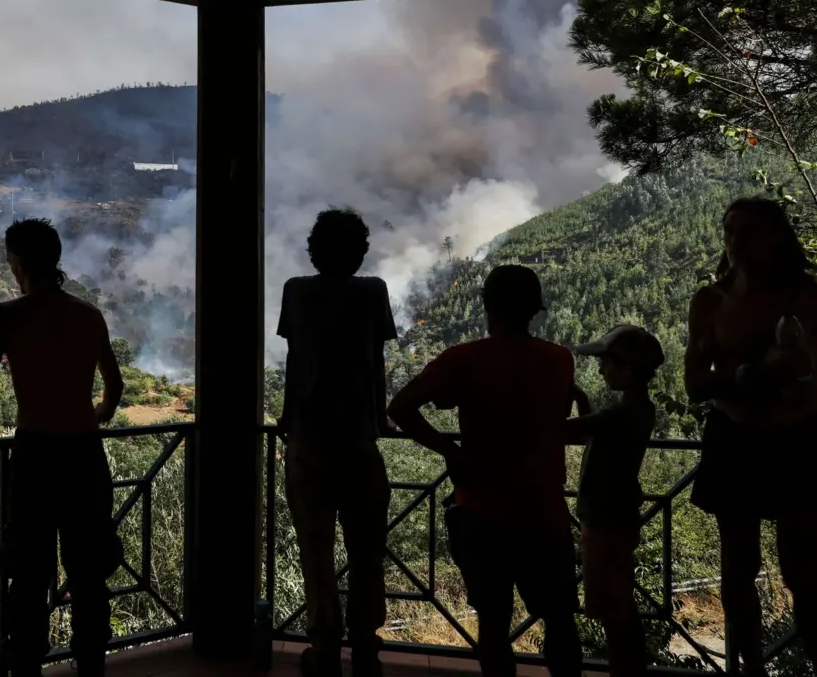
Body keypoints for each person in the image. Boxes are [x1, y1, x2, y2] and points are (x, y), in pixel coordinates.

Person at [0, 218, 125, 677]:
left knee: (27, 574)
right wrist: (97, 415)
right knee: (89, 573)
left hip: (36, 457)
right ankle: (91, 668)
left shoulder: (8, 315)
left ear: (17, 262)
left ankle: (26, 668)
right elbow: (115, 385)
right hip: (85, 455)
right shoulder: (88, 315)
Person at [387, 264, 582, 677]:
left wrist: (450, 451)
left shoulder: (464, 359)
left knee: (493, 626)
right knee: (560, 621)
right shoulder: (559, 359)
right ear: (534, 310)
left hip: (482, 511)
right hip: (544, 511)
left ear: (488, 306)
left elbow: (401, 407)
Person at [686, 197, 817, 675]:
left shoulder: (809, 298)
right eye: (729, 231)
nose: (736, 242)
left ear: (777, 237)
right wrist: (750, 374)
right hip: (735, 439)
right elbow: (694, 384)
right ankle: (749, 670)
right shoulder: (711, 302)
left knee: (804, 571)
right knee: (738, 570)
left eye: (749, 231)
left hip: (798, 440)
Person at [277, 208, 398, 677]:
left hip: (307, 439)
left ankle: (324, 647)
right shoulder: (373, 291)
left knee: (316, 550)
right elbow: (376, 360)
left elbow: (295, 361)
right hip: (358, 441)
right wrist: (379, 418)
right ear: (360, 252)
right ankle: (365, 644)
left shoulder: (296, 290)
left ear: (314, 250)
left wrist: (287, 419)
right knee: (367, 549)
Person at [569, 325, 664, 677]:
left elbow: (568, 429)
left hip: (605, 520)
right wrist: (579, 396)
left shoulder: (621, 414)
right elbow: (589, 427)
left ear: (626, 369)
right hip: (616, 516)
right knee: (619, 605)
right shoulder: (638, 410)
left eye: (605, 364)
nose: (600, 371)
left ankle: (625, 671)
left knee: (615, 609)